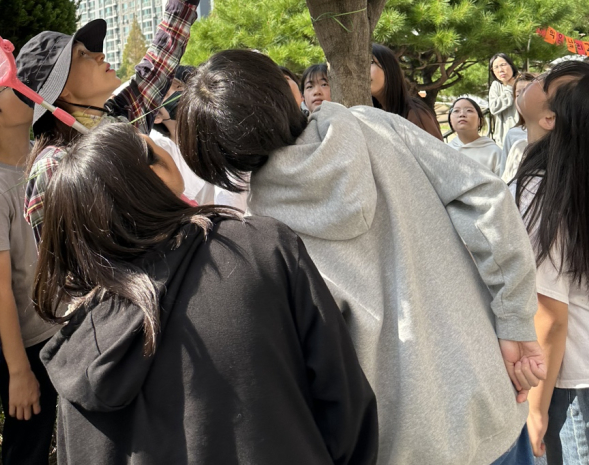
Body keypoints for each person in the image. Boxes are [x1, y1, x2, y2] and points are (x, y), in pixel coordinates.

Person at [177, 49, 545, 465]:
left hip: (399, 442)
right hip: (489, 394)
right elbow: (485, 196)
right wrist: (515, 320)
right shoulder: (373, 125)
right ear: (286, 87)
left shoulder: (264, 232)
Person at [33, 121, 378, 465]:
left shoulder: (76, 353)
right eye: (153, 150)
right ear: (152, 176)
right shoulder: (256, 247)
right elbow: (344, 401)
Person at [19, 0, 223, 244]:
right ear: (62, 91)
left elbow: (164, 49)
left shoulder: (123, 117)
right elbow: (64, 268)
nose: (100, 54)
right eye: (82, 55)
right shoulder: (52, 168)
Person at [513, 62, 589, 464]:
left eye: (542, 82)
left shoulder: (541, 188)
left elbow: (549, 314)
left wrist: (535, 407)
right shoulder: (579, 182)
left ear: (549, 118)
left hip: (571, 384)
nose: (532, 80)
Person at [0, 87, 58, 465]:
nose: (26, 91)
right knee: (28, 448)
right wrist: (19, 370)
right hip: (33, 344)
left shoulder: (50, 156)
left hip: (70, 324)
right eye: (10, 92)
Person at [150, 77, 248, 211]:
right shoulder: (164, 152)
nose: (179, 94)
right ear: (156, 116)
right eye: (166, 94)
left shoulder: (221, 128)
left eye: (179, 87)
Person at [371, 43, 443, 138]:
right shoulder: (375, 112)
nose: (361, 69)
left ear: (389, 69)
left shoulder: (416, 114)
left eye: (371, 62)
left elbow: (435, 152)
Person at [446, 96, 501, 174]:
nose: (462, 114)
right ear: (450, 121)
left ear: (480, 120)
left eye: (469, 110)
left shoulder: (494, 152)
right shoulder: (446, 150)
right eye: (456, 111)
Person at [501, 73, 536, 182]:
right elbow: (505, 173)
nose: (522, 97)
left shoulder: (553, 130)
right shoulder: (512, 134)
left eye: (528, 92)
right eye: (518, 94)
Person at [489, 53, 519, 148]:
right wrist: (509, 88)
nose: (500, 70)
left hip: (524, 135)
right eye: (496, 67)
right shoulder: (496, 86)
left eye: (503, 65)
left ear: (511, 65)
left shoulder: (522, 83)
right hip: (504, 140)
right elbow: (493, 108)